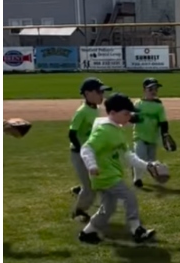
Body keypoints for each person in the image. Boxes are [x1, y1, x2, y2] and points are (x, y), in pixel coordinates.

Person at [78, 93, 157, 245]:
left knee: (108, 207)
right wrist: (92, 166)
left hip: (107, 175)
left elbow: (128, 156)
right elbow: (86, 148)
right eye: (126, 114)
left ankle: (87, 233)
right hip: (105, 175)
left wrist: (147, 165)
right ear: (112, 113)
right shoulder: (104, 131)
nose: (129, 117)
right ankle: (136, 229)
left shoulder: (117, 130)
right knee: (129, 196)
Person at [68, 77, 111, 222]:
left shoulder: (95, 109)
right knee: (90, 188)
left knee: (96, 182)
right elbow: (72, 133)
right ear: (87, 93)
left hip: (89, 153)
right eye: (99, 92)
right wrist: (82, 150)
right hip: (79, 153)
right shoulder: (82, 111)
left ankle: (80, 190)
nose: (102, 96)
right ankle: (78, 211)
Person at [132, 77, 174, 188]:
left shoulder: (158, 106)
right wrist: (132, 117)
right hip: (139, 136)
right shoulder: (138, 104)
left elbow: (163, 122)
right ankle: (137, 179)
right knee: (140, 157)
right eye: (150, 89)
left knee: (151, 159)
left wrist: (165, 135)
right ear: (144, 90)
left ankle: (157, 174)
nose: (154, 91)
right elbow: (132, 117)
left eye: (155, 89)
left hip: (152, 138)